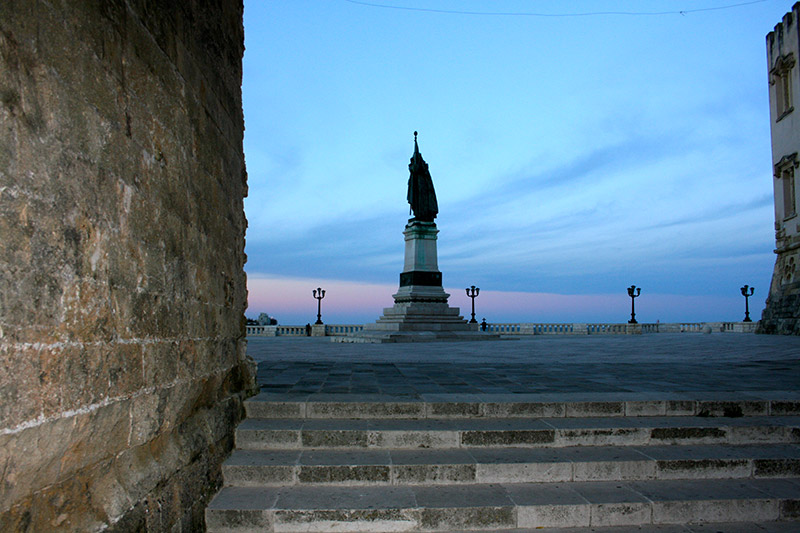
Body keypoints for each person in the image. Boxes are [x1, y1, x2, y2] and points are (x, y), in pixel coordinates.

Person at [407, 131, 438, 222]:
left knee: (423, 200)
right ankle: (418, 214)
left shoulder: (424, 170)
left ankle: (424, 215)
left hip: (423, 188)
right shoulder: (413, 169)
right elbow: (414, 168)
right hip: (416, 187)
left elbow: (420, 170)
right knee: (417, 200)